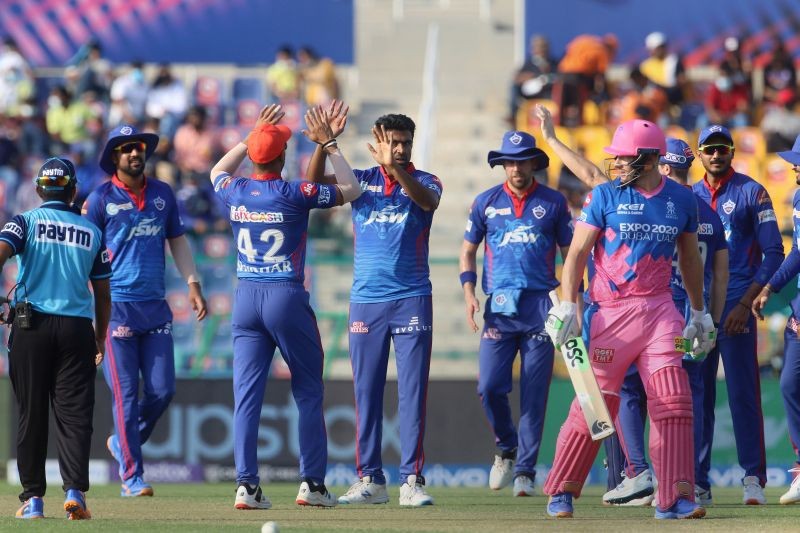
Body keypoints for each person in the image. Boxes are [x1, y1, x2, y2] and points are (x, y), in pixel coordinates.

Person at [540, 112, 713, 519]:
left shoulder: (682, 200)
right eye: (614, 158)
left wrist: (700, 313)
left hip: (660, 312)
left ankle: (676, 498)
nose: (615, 164)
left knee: (673, 400)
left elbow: (689, 258)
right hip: (610, 315)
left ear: (650, 159)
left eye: (623, 158)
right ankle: (561, 491)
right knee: (594, 406)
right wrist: (569, 303)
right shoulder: (604, 196)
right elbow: (578, 254)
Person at [209, 103, 361, 509]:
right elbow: (352, 190)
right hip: (284, 294)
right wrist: (329, 144)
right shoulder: (295, 192)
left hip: (245, 298)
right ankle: (312, 484)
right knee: (308, 390)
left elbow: (216, 173)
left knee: (246, 397)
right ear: (280, 157)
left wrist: (249, 136)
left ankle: (247, 486)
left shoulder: (236, 190)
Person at [305, 109, 442, 506]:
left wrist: (396, 170)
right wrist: (322, 145)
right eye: (392, 143)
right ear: (378, 141)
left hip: (412, 296)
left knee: (412, 392)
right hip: (366, 301)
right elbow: (311, 189)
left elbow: (427, 202)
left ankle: (412, 481)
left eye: (404, 144)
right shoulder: (360, 181)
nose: (398, 149)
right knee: (365, 392)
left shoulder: (426, 180)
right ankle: (370, 480)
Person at [598, 138, 729, 506]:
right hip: (691, 320)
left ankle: (640, 474)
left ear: (663, 168)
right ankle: (692, 481)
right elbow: (721, 275)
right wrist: (710, 320)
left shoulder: (653, 209)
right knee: (688, 399)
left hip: (657, 319)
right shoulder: (708, 213)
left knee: (633, 392)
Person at [82, 124, 208, 497]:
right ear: (115, 158)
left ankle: (123, 443)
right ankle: (132, 477)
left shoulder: (163, 194)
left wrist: (193, 284)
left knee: (162, 390)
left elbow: (178, 241)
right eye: (126, 149)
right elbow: (85, 252)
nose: (135, 153)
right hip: (116, 307)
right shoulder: (100, 198)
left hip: (155, 308)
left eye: (138, 147)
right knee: (126, 395)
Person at [460, 130, 571, 496]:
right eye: (509, 161)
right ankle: (506, 447)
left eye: (522, 160)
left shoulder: (554, 202)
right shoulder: (485, 202)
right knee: (489, 386)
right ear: (502, 165)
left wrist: (573, 301)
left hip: (541, 304)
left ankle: (525, 469)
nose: (516, 167)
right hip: (500, 307)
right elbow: (467, 251)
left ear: (534, 163)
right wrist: (469, 293)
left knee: (535, 393)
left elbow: (572, 256)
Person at [2, 157, 111, 519]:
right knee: (75, 415)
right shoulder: (91, 231)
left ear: (37, 190)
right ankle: (76, 494)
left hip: (31, 325)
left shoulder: (24, 222)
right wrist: (99, 338)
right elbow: (103, 292)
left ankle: (33, 500)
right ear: (73, 191)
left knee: (31, 414)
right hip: (77, 328)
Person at [691, 124, 784, 505]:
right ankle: (696, 481)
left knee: (743, 394)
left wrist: (745, 304)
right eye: (709, 149)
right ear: (699, 155)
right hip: (695, 310)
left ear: (731, 151)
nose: (716, 155)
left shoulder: (752, 191)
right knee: (697, 395)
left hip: (735, 309)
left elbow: (774, 252)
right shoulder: (687, 197)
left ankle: (752, 479)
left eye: (722, 148)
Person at [752, 133, 800, 505]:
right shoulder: (799, 198)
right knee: (788, 385)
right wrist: (770, 286)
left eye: (798, 159)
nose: (793, 166)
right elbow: (799, 251)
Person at [554, 33, 617, 126]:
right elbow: (601, 74)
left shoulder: (583, 40)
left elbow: (567, 51)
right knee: (580, 103)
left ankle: (559, 125)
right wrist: (607, 94)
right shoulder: (602, 50)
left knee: (561, 103)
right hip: (579, 77)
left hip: (562, 74)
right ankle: (578, 125)